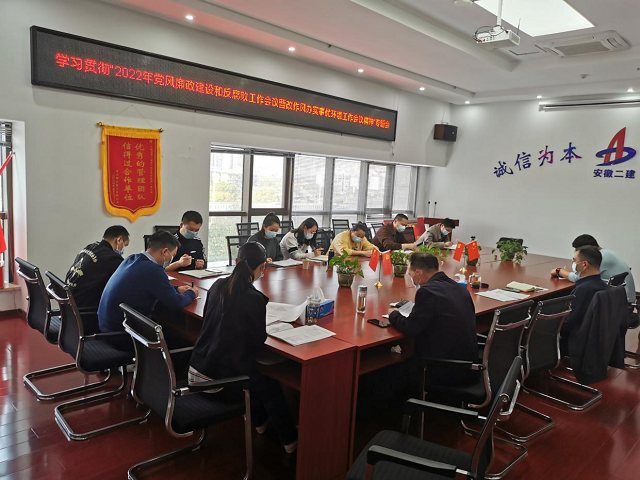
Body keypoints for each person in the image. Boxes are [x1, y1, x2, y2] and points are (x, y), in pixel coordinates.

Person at [188, 242, 298, 453]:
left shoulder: (217, 285)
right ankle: (290, 441)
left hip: (196, 369)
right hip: (216, 383)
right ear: (263, 267)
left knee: (253, 375)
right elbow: (257, 343)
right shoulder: (253, 298)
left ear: (237, 261)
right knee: (270, 385)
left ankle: (260, 423)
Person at [388, 252, 478, 386]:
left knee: (388, 375)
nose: (411, 277)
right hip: (469, 363)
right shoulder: (459, 288)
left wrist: (393, 315)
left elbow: (411, 328)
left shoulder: (427, 292)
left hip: (445, 369)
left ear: (418, 273)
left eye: (410, 274)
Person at [98, 231, 198, 351]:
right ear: (165, 251)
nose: (171, 259)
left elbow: (148, 286)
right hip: (124, 337)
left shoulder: (132, 259)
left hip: (107, 330)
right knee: (187, 342)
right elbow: (176, 303)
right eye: (173, 255)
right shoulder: (153, 270)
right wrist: (192, 293)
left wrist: (176, 289)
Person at [551, 234, 636, 304]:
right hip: (620, 298)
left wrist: (559, 271)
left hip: (620, 303)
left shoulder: (601, 257)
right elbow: (582, 273)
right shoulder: (607, 252)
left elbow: (578, 278)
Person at [65, 225, 130, 311]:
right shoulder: (112, 258)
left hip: (69, 303)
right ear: (119, 240)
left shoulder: (90, 247)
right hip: (85, 310)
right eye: (124, 245)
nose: (123, 249)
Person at [560, 246, 607, 354]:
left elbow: (568, 322)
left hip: (574, 341)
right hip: (595, 340)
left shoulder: (583, 289)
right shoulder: (603, 286)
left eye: (574, 260)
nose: (573, 263)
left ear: (584, 264)